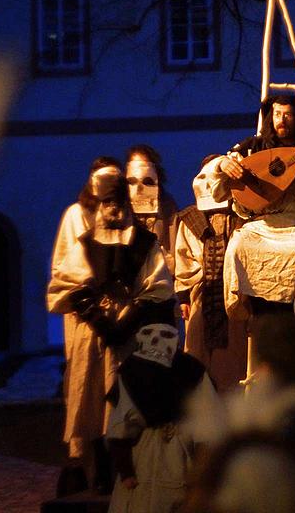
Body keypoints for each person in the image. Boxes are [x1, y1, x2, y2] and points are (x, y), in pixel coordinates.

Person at [47, 169, 175, 492]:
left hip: (130, 334)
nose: (113, 209)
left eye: (117, 202)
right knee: (91, 397)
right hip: (94, 335)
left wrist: (129, 319)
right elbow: (66, 284)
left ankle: (124, 469)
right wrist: (98, 319)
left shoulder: (145, 244)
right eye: (107, 202)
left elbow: (157, 287)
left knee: (123, 399)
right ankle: (99, 470)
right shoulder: (86, 244)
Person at [209, 95, 295, 319]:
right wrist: (223, 163)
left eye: (288, 114)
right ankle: (253, 310)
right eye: (278, 114)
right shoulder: (253, 147)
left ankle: (294, 312)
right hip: (260, 225)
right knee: (238, 246)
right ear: (270, 117)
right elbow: (216, 176)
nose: (282, 120)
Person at [106, 307, 218, 513]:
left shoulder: (135, 370)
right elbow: (208, 424)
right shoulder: (135, 371)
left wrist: (125, 469)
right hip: (151, 455)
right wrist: (126, 469)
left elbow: (120, 425)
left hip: (173, 453)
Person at [174, 155, 248, 391]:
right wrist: (183, 296)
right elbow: (183, 257)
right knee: (198, 355)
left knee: (232, 361)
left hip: (233, 294)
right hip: (202, 295)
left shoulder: (242, 214)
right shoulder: (191, 218)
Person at [126, 144, 179, 276]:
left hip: (159, 279)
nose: (139, 188)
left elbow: (174, 248)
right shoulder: (120, 208)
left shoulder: (167, 207)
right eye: (132, 181)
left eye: (147, 181)